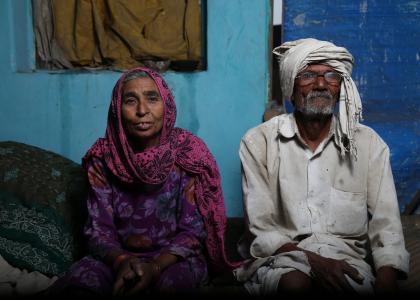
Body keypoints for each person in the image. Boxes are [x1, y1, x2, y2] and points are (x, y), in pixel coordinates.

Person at [233, 38, 409, 295]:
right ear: (290, 89)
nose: (320, 84)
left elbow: (387, 226)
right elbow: (261, 229)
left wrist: (386, 279)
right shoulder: (259, 141)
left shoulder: (368, 143)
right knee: (296, 284)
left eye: (331, 75)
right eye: (307, 75)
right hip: (283, 258)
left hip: (348, 260)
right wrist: (315, 263)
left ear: (341, 88)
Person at [47, 67, 239, 296]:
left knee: (172, 286)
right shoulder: (101, 159)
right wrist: (122, 262)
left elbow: (192, 231)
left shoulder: (187, 155)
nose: (142, 110)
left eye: (152, 98)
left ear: (166, 104)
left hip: (173, 260)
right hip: (114, 258)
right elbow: (98, 230)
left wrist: (155, 267)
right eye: (130, 101)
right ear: (117, 110)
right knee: (81, 285)